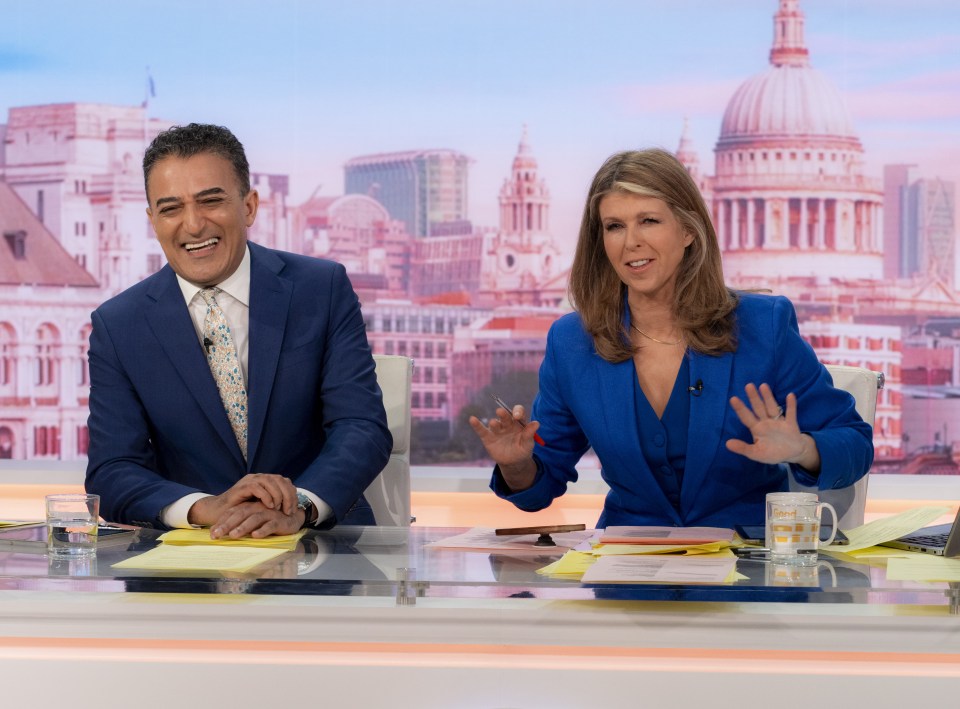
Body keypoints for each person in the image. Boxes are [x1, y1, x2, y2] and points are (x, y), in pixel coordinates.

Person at [470, 148, 873, 528]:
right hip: (627, 574)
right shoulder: (573, 341)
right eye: (614, 227)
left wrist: (802, 448)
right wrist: (517, 465)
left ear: (687, 230)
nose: (631, 242)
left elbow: (854, 444)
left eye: (648, 221)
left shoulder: (762, 326)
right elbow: (540, 485)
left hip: (746, 574)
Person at [85, 123, 392, 538]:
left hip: (322, 551)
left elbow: (361, 426)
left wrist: (299, 505)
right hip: (189, 567)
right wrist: (204, 508)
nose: (193, 225)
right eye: (171, 208)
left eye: (211, 201)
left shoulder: (321, 289)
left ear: (249, 206)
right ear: (152, 220)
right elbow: (113, 469)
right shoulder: (118, 325)